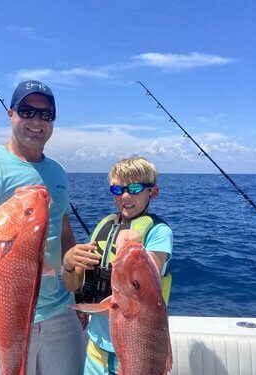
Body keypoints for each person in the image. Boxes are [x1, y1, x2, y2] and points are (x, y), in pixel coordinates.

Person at [0, 80, 86, 375]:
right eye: (27, 111)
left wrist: (76, 295)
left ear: (53, 120)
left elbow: (63, 233)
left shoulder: (57, 172)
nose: (36, 121)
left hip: (58, 313)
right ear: (10, 114)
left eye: (45, 114)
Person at [61, 156, 173, 375]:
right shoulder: (104, 228)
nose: (125, 196)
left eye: (134, 187)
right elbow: (73, 284)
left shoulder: (159, 232)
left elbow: (146, 279)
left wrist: (135, 244)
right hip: (96, 349)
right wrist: (67, 264)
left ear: (153, 192)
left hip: (137, 348)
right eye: (117, 189)